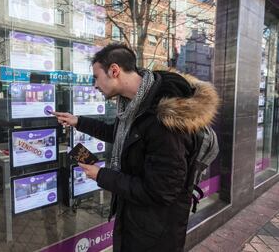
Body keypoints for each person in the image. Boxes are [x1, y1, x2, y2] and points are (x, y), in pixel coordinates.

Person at [52, 43, 219, 252]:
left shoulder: (164, 121)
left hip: (156, 233)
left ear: (114, 71)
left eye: (96, 76)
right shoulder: (137, 104)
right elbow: (120, 133)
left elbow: (160, 192)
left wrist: (102, 175)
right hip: (137, 222)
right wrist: (78, 121)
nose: (94, 84)